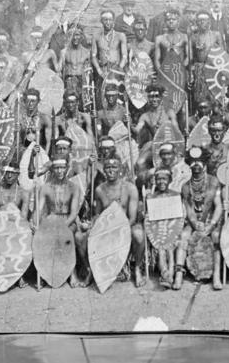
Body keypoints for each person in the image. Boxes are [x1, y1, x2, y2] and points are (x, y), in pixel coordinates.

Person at [91, 157, 147, 287]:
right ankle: (99, 272)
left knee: (139, 235)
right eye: (108, 168)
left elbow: (132, 217)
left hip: (127, 224)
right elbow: (98, 215)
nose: (111, 171)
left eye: (114, 167)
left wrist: (120, 227)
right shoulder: (99, 190)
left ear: (120, 170)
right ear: (104, 171)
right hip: (107, 227)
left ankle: (137, 268)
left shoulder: (130, 188)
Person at [36, 158, 88, 287]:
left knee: (67, 234)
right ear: (52, 169)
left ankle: (72, 272)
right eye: (57, 168)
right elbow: (38, 210)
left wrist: (62, 226)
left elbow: (74, 212)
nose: (60, 171)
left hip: (68, 221)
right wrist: (35, 223)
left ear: (66, 169)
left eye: (62, 168)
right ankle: (45, 273)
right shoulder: (45, 187)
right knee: (42, 237)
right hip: (51, 219)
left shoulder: (73, 187)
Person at [179, 146, 224, 290]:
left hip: (211, 220)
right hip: (194, 222)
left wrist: (211, 224)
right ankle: (178, 274)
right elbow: (189, 209)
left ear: (205, 163)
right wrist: (194, 223)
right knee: (183, 236)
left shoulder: (213, 182)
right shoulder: (186, 186)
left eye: (199, 161)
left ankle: (216, 275)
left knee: (216, 236)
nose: (196, 165)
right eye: (193, 162)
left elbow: (218, 206)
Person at [132, 83, 180, 170]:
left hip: (170, 145)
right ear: (148, 98)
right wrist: (128, 124)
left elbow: (177, 132)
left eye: (157, 96)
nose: (154, 99)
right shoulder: (145, 116)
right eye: (151, 97)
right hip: (154, 146)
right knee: (139, 163)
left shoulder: (169, 113)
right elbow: (137, 130)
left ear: (161, 97)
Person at [153, 9, 190, 106]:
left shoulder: (185, 37)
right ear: (165, 22)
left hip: (180, 75)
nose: (171, 21)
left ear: (178, 21)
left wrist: (181, 68)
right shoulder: (159, 38)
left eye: (174, 19)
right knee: (165, 101)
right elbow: (157, 59)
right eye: (168, 19)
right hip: (165, 74)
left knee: (180, 100)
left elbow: (188, 57)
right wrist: (161, 72)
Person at [91, 9, 128, 107]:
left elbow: (125, 56)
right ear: (101, 21)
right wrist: (99, 71)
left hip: (116, 71)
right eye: (105, 20)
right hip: (102, 71)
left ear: (114, 21)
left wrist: (119, 70)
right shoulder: (96, 36)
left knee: (117, 98)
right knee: (101, 98)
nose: (108, 22)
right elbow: (93, 56)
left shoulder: (120, 36)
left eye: (110, 20)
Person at [189, 10, 224, 107]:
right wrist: (192, 74)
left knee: (215, 98)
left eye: (204, 20)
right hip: (199, 70)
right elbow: (191, 57)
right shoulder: (193, 37)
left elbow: (222, 54)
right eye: (199, 21)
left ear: (209, 22)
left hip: (214, 69)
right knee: (200, 98)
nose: (201, 23)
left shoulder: (216, 35)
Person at [58, 24, 91, 107]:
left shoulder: (86, 52)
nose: (75, 37)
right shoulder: (64, 52)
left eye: (77, 35)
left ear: (81, 36)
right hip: (68, 81)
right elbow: (59, 70)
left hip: (82, 83)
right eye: (72, 35)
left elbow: (89, 72)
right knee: (69, 107)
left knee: (82, 107)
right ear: (69, 36)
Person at [17, 87, 53, 154]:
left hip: (39, 155)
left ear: (38, 101)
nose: (30, 104)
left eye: (33, 101)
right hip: (24, 154)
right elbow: (17, 142)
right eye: (28, 101)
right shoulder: (20, 119)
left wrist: (45, 157)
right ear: (24, 101)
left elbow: (48, 143)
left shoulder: (44, 119)